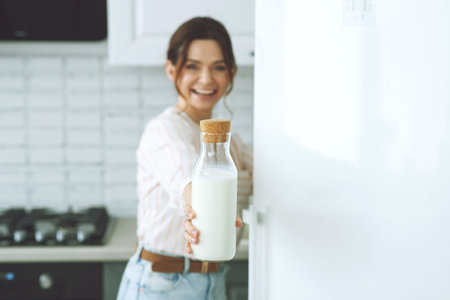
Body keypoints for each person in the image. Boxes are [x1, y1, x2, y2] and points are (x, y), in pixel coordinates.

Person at [116, 16, 253, 300]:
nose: (206, 79)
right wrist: (199, 209)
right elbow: (185, 176)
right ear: (171, 70)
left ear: (231, 72)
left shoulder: (230, 145)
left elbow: (281, 175)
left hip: (212, 282)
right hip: (162, 285)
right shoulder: (165, 129)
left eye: (218, 67)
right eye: (193, 66)